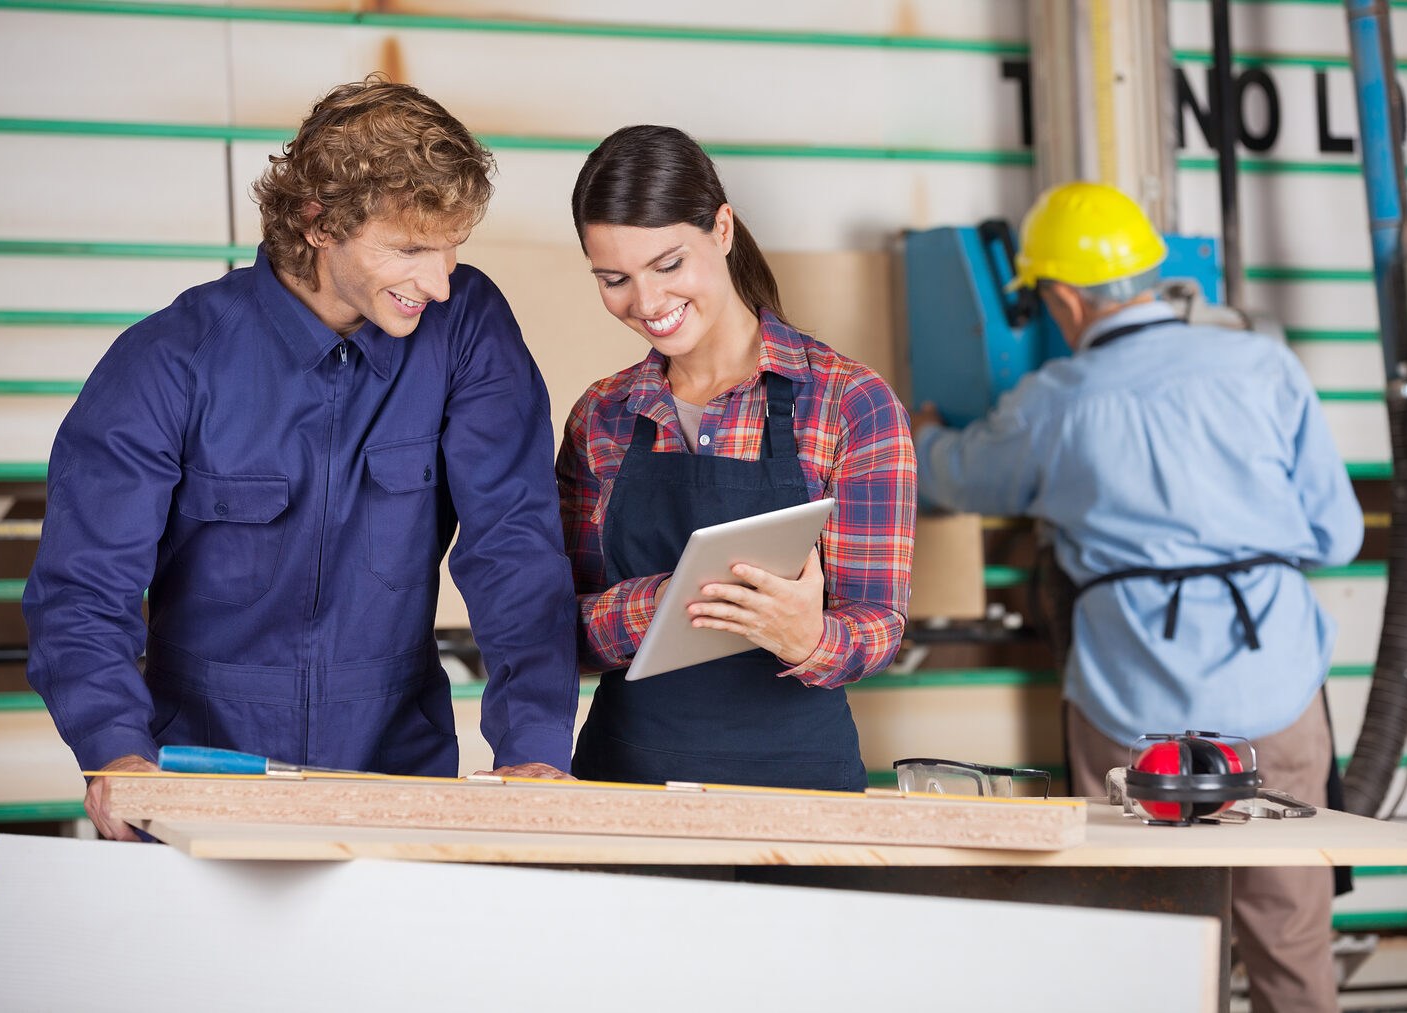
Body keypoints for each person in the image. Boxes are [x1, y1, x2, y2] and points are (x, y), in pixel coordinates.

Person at [22, 76, 579, 842]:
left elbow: (514, 546)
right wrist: (116, 755)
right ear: (318, 222)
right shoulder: (167, 362)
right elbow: (83, 590)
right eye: (411, 248)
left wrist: (536, 751)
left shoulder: (466, 331)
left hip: (397, 781)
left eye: (452, 248)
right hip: (199, 784)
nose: (440, 281)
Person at [912, 181, 1363, 1013]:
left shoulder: (1057, 401)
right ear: (1151, 278)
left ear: (1065, 297)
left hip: (1131, 704)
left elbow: (952, 478)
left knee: (1144, 938)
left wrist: (929, 432)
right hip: (1278, 689)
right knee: (1290, 939)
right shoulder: (1263, 365)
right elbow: (1337, 537)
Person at [556, 125, 917, 792]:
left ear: (722, 229)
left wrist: (809, 636)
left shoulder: (849, 405)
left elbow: (879, 623)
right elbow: (553, 630)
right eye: (614, 279)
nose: (647, 302)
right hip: (628, 790)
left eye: (668, 265)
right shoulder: (601, 417)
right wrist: (659, 606)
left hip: (801, 796)